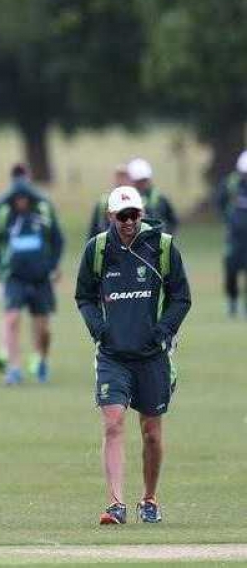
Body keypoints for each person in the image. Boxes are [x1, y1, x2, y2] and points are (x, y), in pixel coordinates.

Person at [75, 186, 191, 525]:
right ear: (109, 216)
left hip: (153, 355)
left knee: (151, 433)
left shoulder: (163, 247)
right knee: (112, 423)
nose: (128, 222)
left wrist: (163, 331)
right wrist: (99, 329)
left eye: (134, 215)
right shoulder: (97, 249)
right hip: (112, 355)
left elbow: (181, 297)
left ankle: (149, 498)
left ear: (141, 214)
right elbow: (83, 295)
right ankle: (115, 504)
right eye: (121, 216)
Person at [0, 176, 63, 384]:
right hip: (14, 277)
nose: (21, 202)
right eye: (17, 199)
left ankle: (41, 360)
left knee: (43, 329)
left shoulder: (44, 212)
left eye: (24, 198)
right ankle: (14, 368)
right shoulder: (5, 215)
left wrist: (53, 265)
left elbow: (58, 240)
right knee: (11, 319)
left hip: (41, 279)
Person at [216, 150, 247, 317]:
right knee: (231, 270)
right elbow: (219, 202)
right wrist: (228, 219)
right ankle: (232, 302)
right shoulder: (230, 183)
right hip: (234, 237)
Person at [127, 158, 179, 234]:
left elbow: (172, 221)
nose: (142, 184)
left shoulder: (160, 198)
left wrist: (167, 235)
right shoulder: (125, 199)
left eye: (144, 180)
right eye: (139, 181)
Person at [87, 164, 130, 239]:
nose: (121, 180)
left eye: (124, 177)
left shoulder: (137, 203)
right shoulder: (103, 202)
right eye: (119, 176)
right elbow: (93, 232)